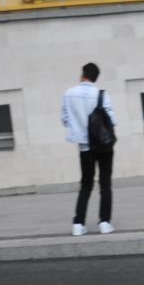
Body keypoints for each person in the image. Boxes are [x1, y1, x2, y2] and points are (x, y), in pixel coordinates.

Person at [60, 62, 118, 236]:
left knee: (86, 184)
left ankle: (78, 223)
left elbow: (64, 119)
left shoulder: (69, 94)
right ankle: (105, 222)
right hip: (103, 145)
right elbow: (112, 120)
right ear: (95, 77)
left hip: (84, 146)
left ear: (83, 75)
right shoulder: (102, 94)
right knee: (105, 183)